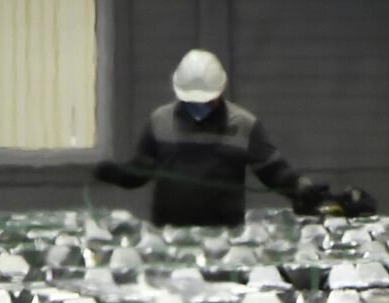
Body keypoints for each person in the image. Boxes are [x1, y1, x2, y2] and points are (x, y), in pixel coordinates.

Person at [95, 49, 368, 226]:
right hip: (170, 237)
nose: (198, 107)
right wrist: (114, 173)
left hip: (225, 239)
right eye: (192, 101)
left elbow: (274, 171)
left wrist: (303, 190)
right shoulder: (160, 122)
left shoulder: (243, 124)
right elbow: (140, 171)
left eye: (206, 101)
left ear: (220, 92)